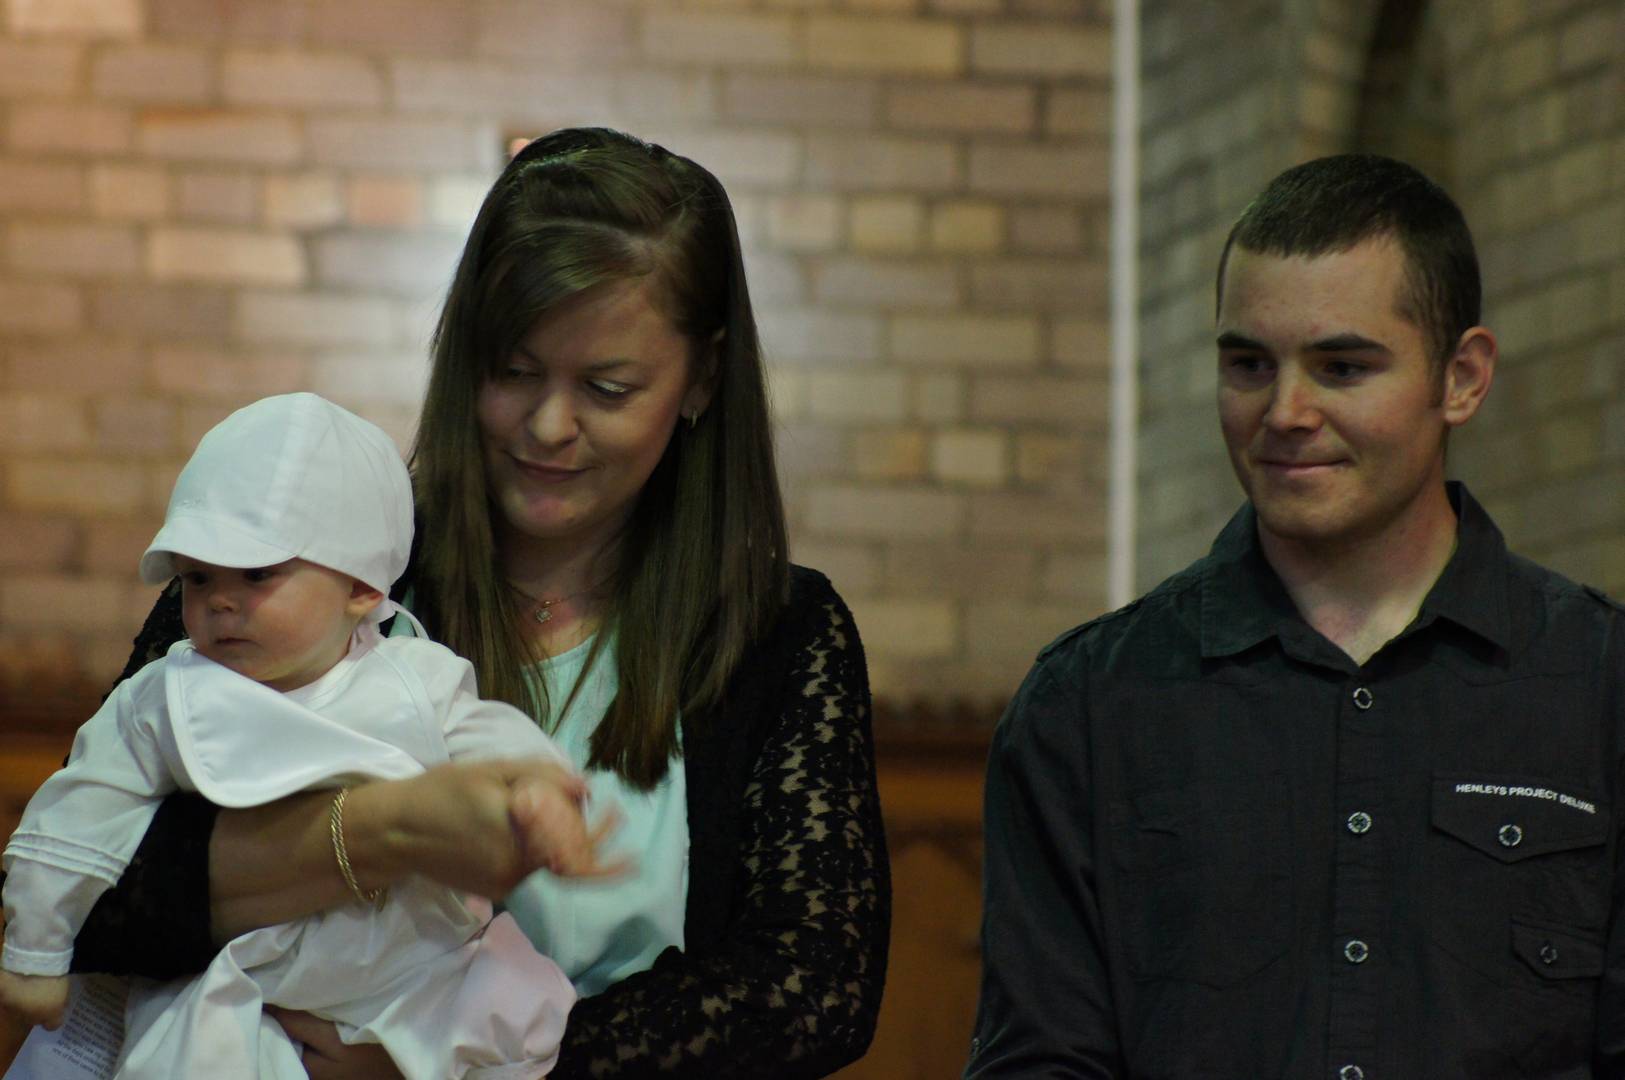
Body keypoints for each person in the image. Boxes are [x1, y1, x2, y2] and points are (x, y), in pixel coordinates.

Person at [2, 127, 889, 1079]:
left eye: (606, 387)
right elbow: (92, 886)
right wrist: (386, 830)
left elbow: (812, 991)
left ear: (701, 379)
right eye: (513, 371)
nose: (548, 425)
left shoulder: (781, 631)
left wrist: (460, 1066)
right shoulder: (302, 568)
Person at [966, 153, 1625, 1078]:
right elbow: (1041, 1060)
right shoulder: (1086, 704)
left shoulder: (1600, 683)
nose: (1283, 412)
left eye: (1341, 367)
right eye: (1248, 364)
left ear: (1461, 378)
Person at [1, 393, 599, 1078]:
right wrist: (35, 952)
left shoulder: (414, 676)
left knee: (524, 1009)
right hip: (248, 980)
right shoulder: (168, 695)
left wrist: (537, 790)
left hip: (416, 966)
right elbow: (77, 814)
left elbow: (493, 737)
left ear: (362, 588)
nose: (219, 600)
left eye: (257, 574)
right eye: (197, 577)